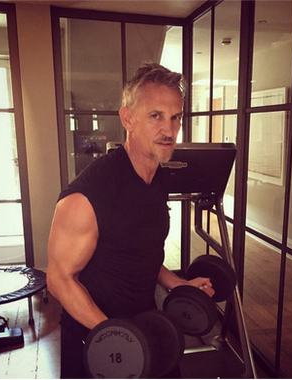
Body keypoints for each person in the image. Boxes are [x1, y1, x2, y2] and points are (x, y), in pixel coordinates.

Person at [47, 63, 214, 379]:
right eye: (156, 116)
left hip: (146, 323)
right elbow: (59, 279)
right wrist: (115, 335)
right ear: (128, 119)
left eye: (175, 117)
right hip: (95, 336)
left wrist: (177, 283)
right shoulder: (88, 195)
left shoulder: (157, 178)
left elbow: (141, 252)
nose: (169, 129)